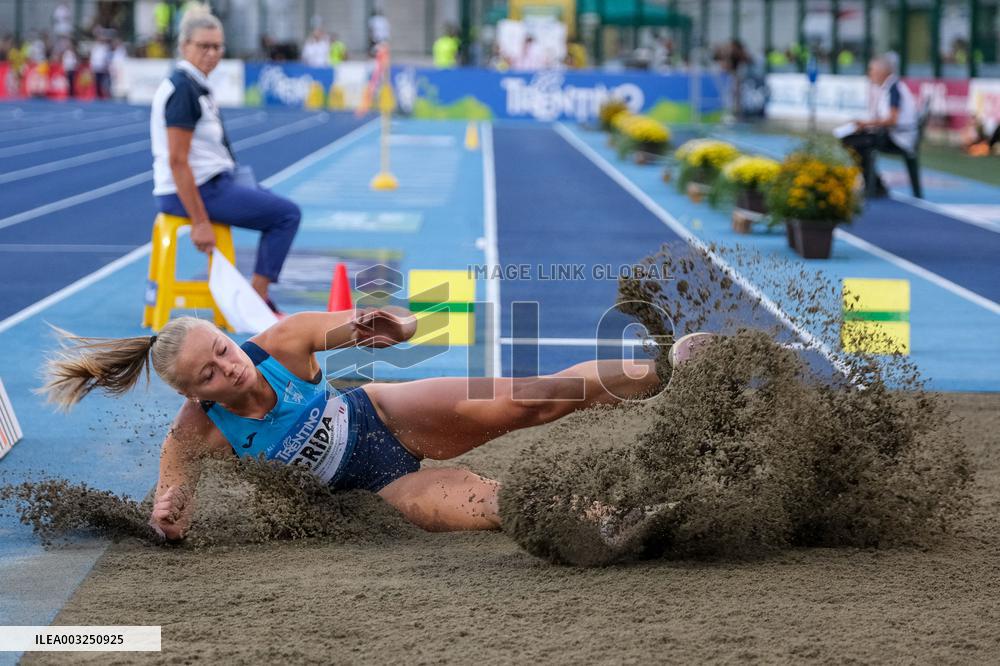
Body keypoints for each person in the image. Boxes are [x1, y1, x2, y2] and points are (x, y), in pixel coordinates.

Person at [39, 308, 716, 541]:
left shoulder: (281, 344)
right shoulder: (196, 434)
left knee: (532, 396)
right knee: (491, 503)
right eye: (209, 375)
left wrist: (396, 327)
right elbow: (170, 511)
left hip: (387, 417)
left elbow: (398, 326)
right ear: (193, 395)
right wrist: (166, 516)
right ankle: (633, 517)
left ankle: (669, 370)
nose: (228, 369)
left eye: (222, 349)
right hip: (373, 493)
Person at [150, 7, 301, 314]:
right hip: (196, 190)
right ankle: (256, 301)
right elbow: (178, 161)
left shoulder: (195, 84)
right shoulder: (183, 90)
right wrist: (201, 222)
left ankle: (256, 296)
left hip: (214, 182)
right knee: (286, 215)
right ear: (184, 47)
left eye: (217, 46)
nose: (211, 53)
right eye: (203, 46)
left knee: (272, 202)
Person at [839, 55, 918, 196]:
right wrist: (866, 126)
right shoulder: (889, 87)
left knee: (853, 141)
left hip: (899, 138)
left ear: (882, 72)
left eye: (872, 70)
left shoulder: (894, 88)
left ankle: (875, 185)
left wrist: (866, 124)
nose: (869, 74)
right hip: (893, 134)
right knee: (851, 139)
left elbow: (892, 120)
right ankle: (874, 184)